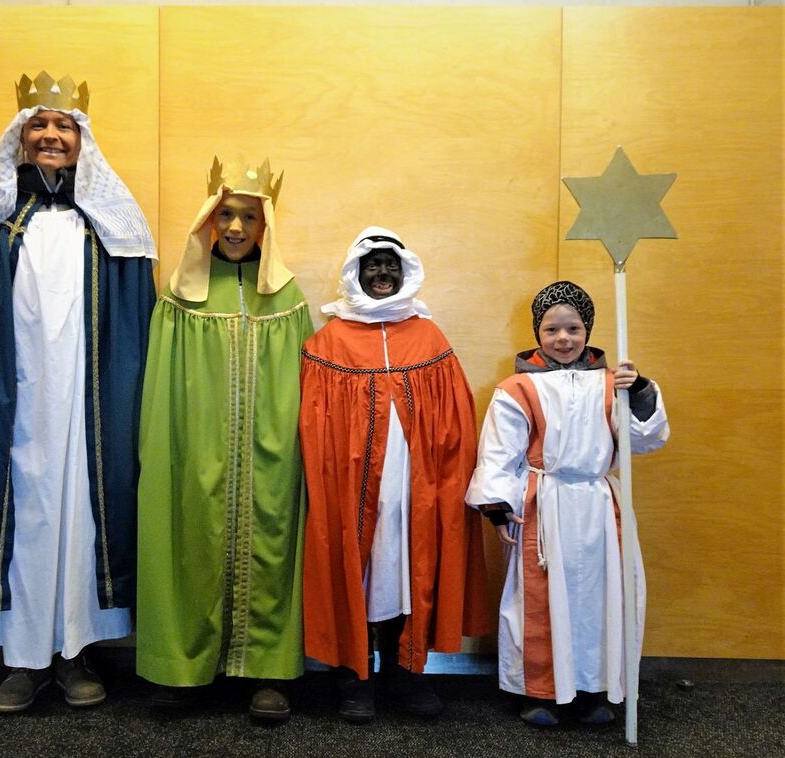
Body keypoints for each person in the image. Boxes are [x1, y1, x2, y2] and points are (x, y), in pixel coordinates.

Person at [0, 72, 157, 712]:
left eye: (64, 125)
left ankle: (75, 653)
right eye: (39, 125)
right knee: (21, 515)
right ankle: (23, 658)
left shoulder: (115, 224)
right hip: (12, 401)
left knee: (81, 514)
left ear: (82, 140)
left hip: (88, 403)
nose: (51, 135)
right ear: (19, 138)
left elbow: (133, 326)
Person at [136, 158, 313, 721]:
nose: (237, 228)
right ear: (210, 219)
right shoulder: (179, 295)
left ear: (266, 225)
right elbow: (160, 387)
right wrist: (172, 448)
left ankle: (269, 670)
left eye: (250, 217)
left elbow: (307, 386)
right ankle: (184, 666)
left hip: (272, 453)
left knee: (274, 544)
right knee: (191, 537)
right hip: (195, 446)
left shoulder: (288, 298)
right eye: (227, 215)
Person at [300, 227, 490, 723]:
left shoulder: (427, 336)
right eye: (373, 264)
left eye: (391, 264)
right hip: (351, 486)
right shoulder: (329, 341)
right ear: (355, 272)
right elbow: (312, 423)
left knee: (409, 568)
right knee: (358, 568)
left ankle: (406, 671)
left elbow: (455, 419)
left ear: (405, 271)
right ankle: (355, 675)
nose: (382, 273)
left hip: (414, 486)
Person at [466, 280, 669, 726]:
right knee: (539, 601)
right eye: (552, 329)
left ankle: (596, 689)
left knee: (601, 599)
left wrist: (638, 392)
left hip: (598, 508)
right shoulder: (518, 388)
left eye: (573, 329)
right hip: (545, 507)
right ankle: (539, 692)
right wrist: (496, 506)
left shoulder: (612, 383)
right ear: (537, 333)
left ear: (587, 330)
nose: (563, 339)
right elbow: (498, 450)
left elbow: (644, 441)